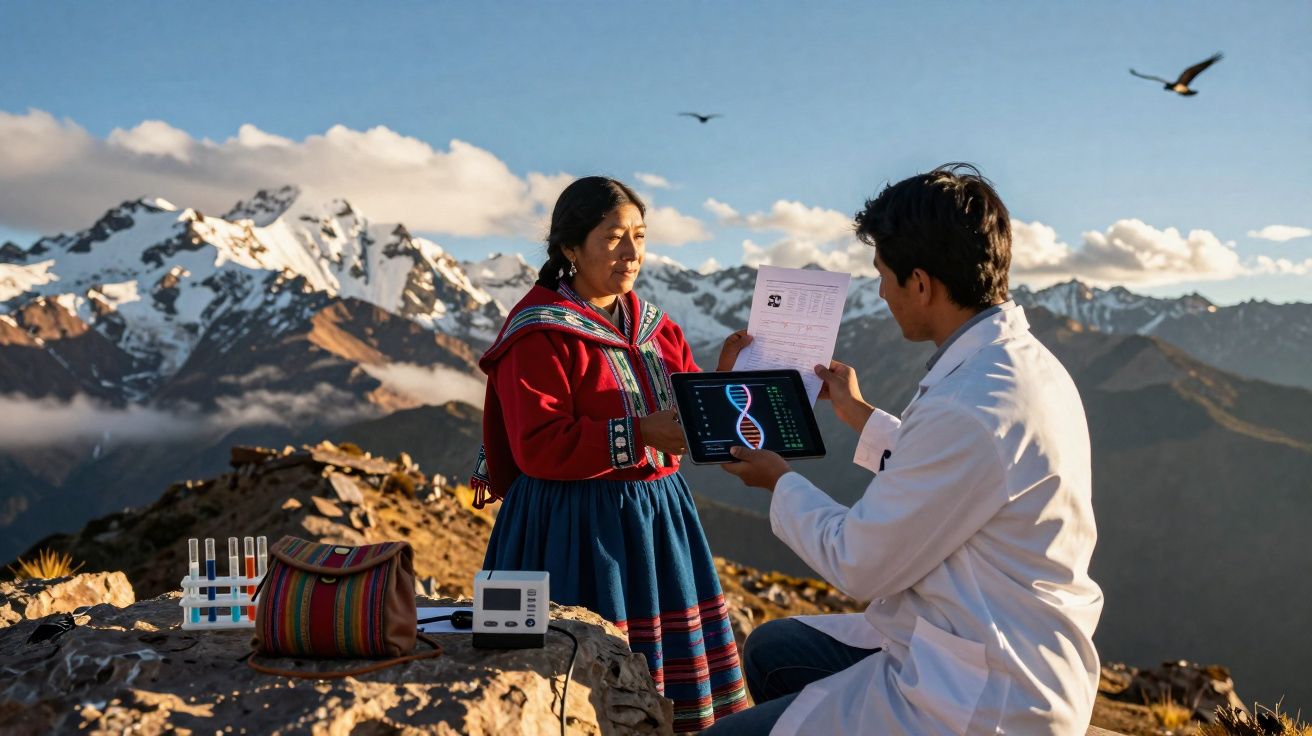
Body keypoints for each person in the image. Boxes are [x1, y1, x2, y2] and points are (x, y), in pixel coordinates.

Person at [706, 163, 1103, 735]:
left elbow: (859, 564)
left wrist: (778, 480)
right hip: (987, 636)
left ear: (921, 284)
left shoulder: (969, 405)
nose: (881, 293)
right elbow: (957, 473)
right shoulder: (1017, 365)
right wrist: (857, 413)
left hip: (987, 692)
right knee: (776, 648)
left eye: (883, 275)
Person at [471, 176, 751, 733]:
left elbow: (684, 416)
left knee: (663, 689)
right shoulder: (538, 334)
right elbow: (539, 446)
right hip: (565, 528)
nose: (632, 253)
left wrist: (723, 382)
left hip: (656, 526)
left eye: (640, 236)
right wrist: (641, 433)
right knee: (566, 692)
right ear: (571, 249)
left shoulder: (656, 328)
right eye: (613, 237)